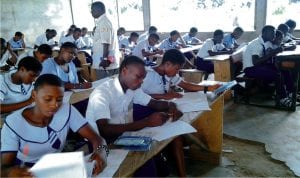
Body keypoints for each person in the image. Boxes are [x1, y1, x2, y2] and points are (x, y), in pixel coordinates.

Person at [85, 55, 182, 177]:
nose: (141, 82)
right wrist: (146, 122)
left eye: (143, 78)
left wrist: (170, 105)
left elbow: (153, 103)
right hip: (102, 143)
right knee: (146, 166)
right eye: (138, 77)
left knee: (156, 160)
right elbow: (103, 130)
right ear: (124, 71)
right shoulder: (102, 93)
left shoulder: (132, 88)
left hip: (122, 135)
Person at [1, 74, 107, 177]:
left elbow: (96, 138)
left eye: (59, 99)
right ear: (34, 95)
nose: (54, 105)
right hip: (26, 171)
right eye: (48, 99)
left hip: (57, 167)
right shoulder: (14, 123)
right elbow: (4, 168)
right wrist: (9, 173)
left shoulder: (67, 110)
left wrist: (101, 151)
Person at [242, 25, 294, 107]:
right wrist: (273, 52)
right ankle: (282, 98)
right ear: (264, 33)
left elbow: (268, 53)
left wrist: (276, 51)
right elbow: (255, 62)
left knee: (284, 69)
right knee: (277, 74)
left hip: (258, 66)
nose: (274, 35)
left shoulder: (265, 42)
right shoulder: (256, 44)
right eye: (272, 33)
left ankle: (290, 92)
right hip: (250, 69)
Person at [141, 49, 220, 100]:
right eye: (177, 69)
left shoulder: (169, 74)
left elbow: (185, 84)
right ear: (167, 64)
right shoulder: (147, 75)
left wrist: (207, 88)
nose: (177, 72)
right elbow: (137, 96)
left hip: (163, 105)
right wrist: (163, 96)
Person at [90, 1, 120, 80]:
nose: (91, 12)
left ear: (99, 9)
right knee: (110, 86)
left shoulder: (104, 22)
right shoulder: (104, 21)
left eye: (92, 10)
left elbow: (106, 42)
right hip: (107, 60)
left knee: (104, 86)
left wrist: (105, 59)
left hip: (105, 63)